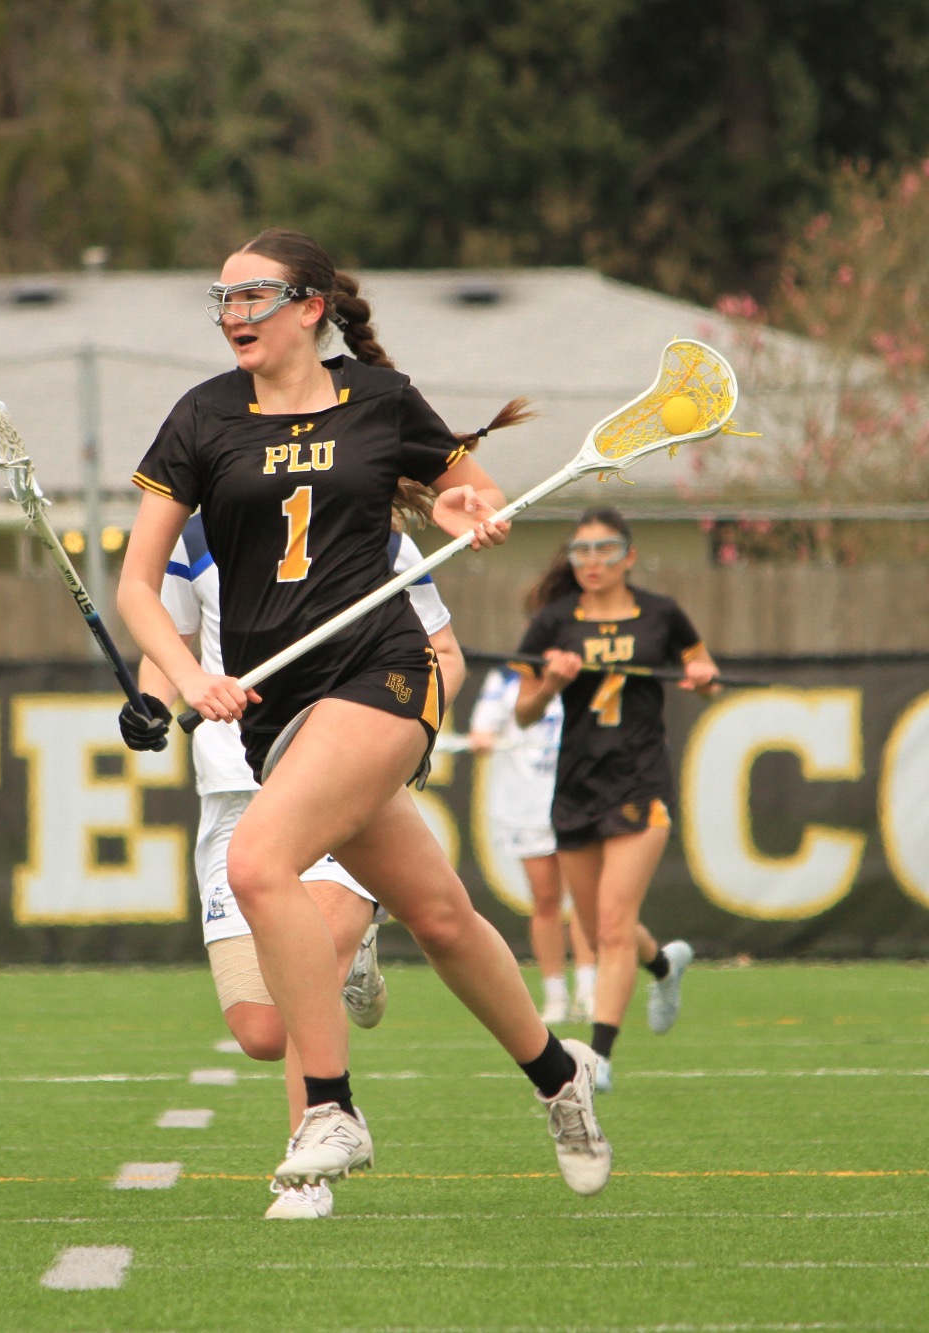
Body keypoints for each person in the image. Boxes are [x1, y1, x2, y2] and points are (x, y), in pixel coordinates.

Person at [116, 228, 611, 1201]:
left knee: (259, 860)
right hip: (276, 708)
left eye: (251, 296)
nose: (230, 315)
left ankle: (330, 1108)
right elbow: (137, 583)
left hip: (387, 666)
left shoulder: (380, 401)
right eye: (219, 298)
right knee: (439, 913)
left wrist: (466, 509)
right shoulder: (200, 418)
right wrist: (187, 673)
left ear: (308, 306)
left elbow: (471, 486)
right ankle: (558, 1079)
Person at [125, 513, 466, 1219]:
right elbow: (171, 645)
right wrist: (152, 701)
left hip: (335, 781)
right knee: (261, 1029)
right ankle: (356, 954)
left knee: (316, 954)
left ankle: (307, 1173)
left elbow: (443, 654)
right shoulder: (199, 538)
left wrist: (402, 733)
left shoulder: (376, 533)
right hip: (232, 789)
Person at [512, 510, 710, 1092]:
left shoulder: (661, 614)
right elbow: (525, 711)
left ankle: (597, 1056)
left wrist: (702, 674)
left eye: (605, 548)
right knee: (601, 927)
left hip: (639, 782)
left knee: (615, 923)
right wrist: (551, 683)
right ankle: (665, 966)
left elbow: (702, 665)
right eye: (581, 551)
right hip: (576, 783)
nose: (592, 561)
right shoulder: (552, 622)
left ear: (628, 554)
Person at [465, 664, 597, 1024]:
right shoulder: (506, 678)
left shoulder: (581, 672)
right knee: (546, 900)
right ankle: (555, 995)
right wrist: (482, 738)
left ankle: (589, 991)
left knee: (585, 898)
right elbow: (482, 730)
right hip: (526, 805)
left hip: (577, 798)